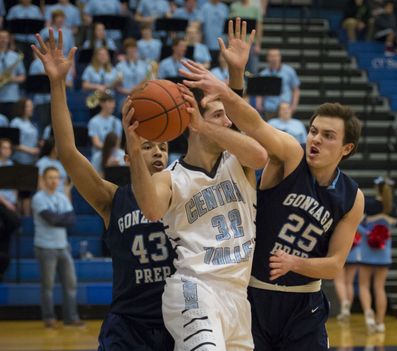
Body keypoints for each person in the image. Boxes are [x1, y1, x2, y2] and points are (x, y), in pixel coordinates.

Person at [180, 22, 365, 349]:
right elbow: (252, 124)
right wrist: (232, 81)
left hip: (305, 305)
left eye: (328, 136)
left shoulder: (352, 197)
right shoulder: (291, 156)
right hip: (255, 296)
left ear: (346, 149)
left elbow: (335, 265)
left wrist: (297, 263)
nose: (316, 140)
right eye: (313, 131)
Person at [123, 18, 268, 350]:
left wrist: (234, 77)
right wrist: (133, 145)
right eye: (217, 115)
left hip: (238, 298)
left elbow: (260, 154)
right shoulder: (170, 177)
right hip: (194, 289)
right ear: (191, 120)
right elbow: (150, 207)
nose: (228, 122)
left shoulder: (238, 163)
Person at [32, 27, 176, 350]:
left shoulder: (181, 194)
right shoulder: (113, 198)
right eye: (147, 145)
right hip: (126, 325)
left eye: (163, 148)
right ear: (127, 156)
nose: (157, 152)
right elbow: (67, 152)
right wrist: (57, 84)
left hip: (176, 322)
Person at [31, 166, 82, 328]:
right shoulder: (38, 198)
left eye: (57, 178)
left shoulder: (62, 197)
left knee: (71, 284)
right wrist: (62, 218)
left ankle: (71, 318)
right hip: (45, 247)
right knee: (48, 286)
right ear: (44, 180)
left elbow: (72, 220)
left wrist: (60, 219)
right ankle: (48, 317)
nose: (54, 181)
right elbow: (51, 219)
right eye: (51, 177)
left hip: (63, 246)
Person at [358, 176, 397, 333]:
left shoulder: (369, 204)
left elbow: (356, 225)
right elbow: (389, 230)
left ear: (376, 189)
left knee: (363, 285)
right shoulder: (393, 208)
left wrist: (367, 232)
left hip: (367, 251)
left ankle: (368, 313)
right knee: (379, 287)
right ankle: (380, 322)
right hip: (384, 253)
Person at [256, 48, 301, 119]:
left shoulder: (289, 71)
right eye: (272, 56)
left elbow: (296, 89)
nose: (274, 58)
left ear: (280, 57)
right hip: (269, 108)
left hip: (285, 107)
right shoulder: (263, 74)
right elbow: (260, 92)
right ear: (267, 58)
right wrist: (258, 104)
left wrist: (294, 106)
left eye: (276, 56)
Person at [0, 138, 21, 282]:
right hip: (1, 203)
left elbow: (15, 187)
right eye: (4, 148)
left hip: (9, 203)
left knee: (13, 222)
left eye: (9, 148)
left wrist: (13, 201)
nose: (7, 150)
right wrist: (7, 203)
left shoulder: (13, 165)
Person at [0, 29, 26, 120]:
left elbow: (22, 77)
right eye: (1, 37)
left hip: (12, 97)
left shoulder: (15, 56)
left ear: (9, 39)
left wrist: (12, 79)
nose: (3, 40)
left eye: (5, 38)